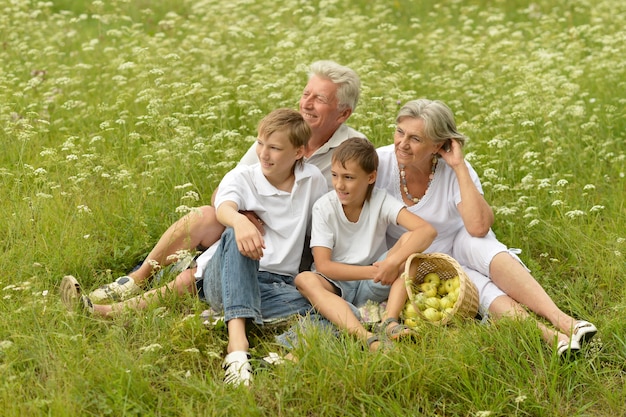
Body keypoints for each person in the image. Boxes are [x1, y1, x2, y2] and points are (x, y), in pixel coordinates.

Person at [60, 108, 329, 386]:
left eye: (274, 148)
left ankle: (247, 319)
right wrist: (239, 221)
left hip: (275, 284)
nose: (263, 153)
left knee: (337, 309)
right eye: (260, 143)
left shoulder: (313, 181)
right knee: (234, 240)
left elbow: (322, 228)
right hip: (225, 275)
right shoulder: (243, 177)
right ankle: (237, 350)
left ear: (298, 152)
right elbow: (223, 207)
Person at [87, 60, 365, 304]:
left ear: (342, 114)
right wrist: (242, 217)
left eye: (319, 99)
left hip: (296, 250)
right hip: (250, 233)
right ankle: (137, 278)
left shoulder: (353, 150)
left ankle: (188, 281)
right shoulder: (279, 136)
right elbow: (227, 189)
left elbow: (348, 216)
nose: (306, 103)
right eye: (306, 94)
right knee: (207, 215)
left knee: (204, 270)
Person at [375, 99, 597, 356]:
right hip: (419, 260)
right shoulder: (380, 163)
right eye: (400, 132)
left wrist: (458, 166)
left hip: (460, 242)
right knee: (477, 285)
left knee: (479, 244)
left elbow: (478, 226)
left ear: (438, 144)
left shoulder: (454, 168)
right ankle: (552, 337)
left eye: (415, 138)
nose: (402, 143)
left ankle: (566, 321)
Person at [294, 138, 437, 351]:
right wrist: (372, 272)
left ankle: (389, 320)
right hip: (336, 284)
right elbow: (324, 266)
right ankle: (367, 337)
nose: (339, 185)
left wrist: (393, 262)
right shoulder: (324, 207)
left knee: (411, 247)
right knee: (304, 279)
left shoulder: (380, 200)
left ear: (371, 177)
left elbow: (427, 231)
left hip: (377, 280)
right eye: (335, 175)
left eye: (349, 177)